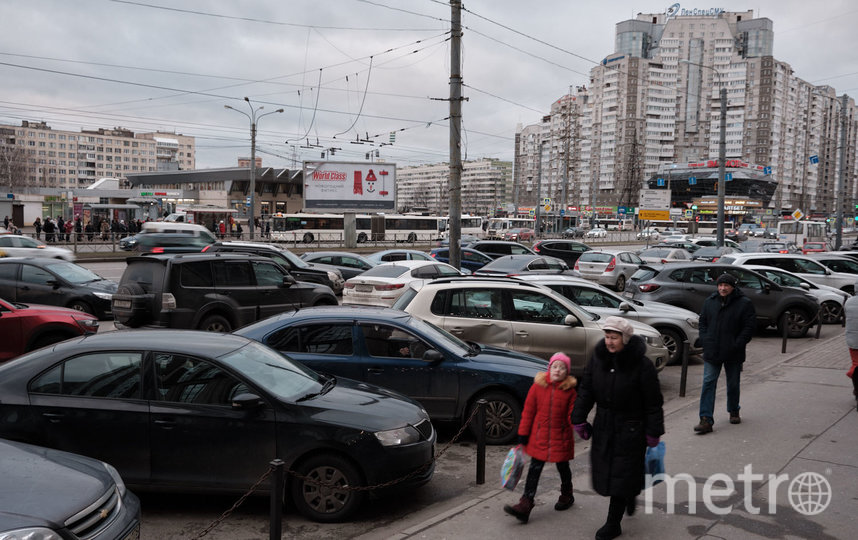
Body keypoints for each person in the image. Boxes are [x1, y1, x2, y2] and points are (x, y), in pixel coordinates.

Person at [571, 316, 664, 540]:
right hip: (604, 426)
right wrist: (579, 418)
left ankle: (613, 523)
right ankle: (629, 493)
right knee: (608, 470)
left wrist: (653, 432)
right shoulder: (598, 358)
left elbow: (653, 402)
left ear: (626, 338)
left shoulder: (642, 365)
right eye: (607, 336)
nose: (610, 342)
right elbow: (587, 390)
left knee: (621, 474)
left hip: (632, 428)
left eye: (614, 337)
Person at [503, 352, 577, 524]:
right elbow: (528, 412)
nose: (558, 370)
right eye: (555, 366)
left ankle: (567, 494)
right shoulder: (538, 387)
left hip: (561, 438)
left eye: (562, 367)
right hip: (540, 436)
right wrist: (522, 433)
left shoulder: (570, 392)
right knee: (534, 469)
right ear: (549, 368)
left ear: (567, 372)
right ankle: (525, 504)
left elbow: (572, 416)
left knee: (563, 468)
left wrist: (577, 423)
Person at [694, 273, 756, 434]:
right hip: (712, 351)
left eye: (726, 285)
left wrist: (737, 344)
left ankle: (733, 409)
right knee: (708, 383)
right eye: (720, 285)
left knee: (733, 383)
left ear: (732, 287)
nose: (722, 288)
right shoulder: (710, 302)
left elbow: (748, 327)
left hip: (733, 352)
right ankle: (706, 419)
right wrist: (705, 339)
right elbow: (703, 322)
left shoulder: (744, 303)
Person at [844, 279, 858, 410]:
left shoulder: (849, 302)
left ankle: (856, 390)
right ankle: (851, 373)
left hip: (853, 340)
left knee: (856, 364)